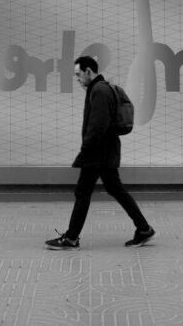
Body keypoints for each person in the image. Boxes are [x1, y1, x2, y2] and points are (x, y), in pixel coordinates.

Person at [46, 56, 156, 250]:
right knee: (114, 189)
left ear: (89, 71)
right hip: (105, 152)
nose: (77, 78)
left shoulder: (99, 91)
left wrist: (85, 151)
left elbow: (98, 126)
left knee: (83, 192)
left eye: (79, 74)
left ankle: (71, 238)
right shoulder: (100, 89)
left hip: (98, 153)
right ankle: (144, 228)